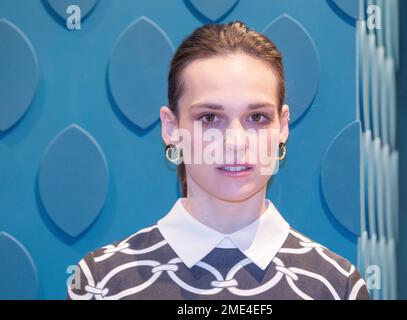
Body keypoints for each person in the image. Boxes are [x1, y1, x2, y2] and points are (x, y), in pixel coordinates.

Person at [67, 20, 370, 300]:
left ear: (282, 126)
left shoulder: (336, 286)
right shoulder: (102, 283)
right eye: (210, 118)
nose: (236, 142)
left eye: (257, 117)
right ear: (171, 128)